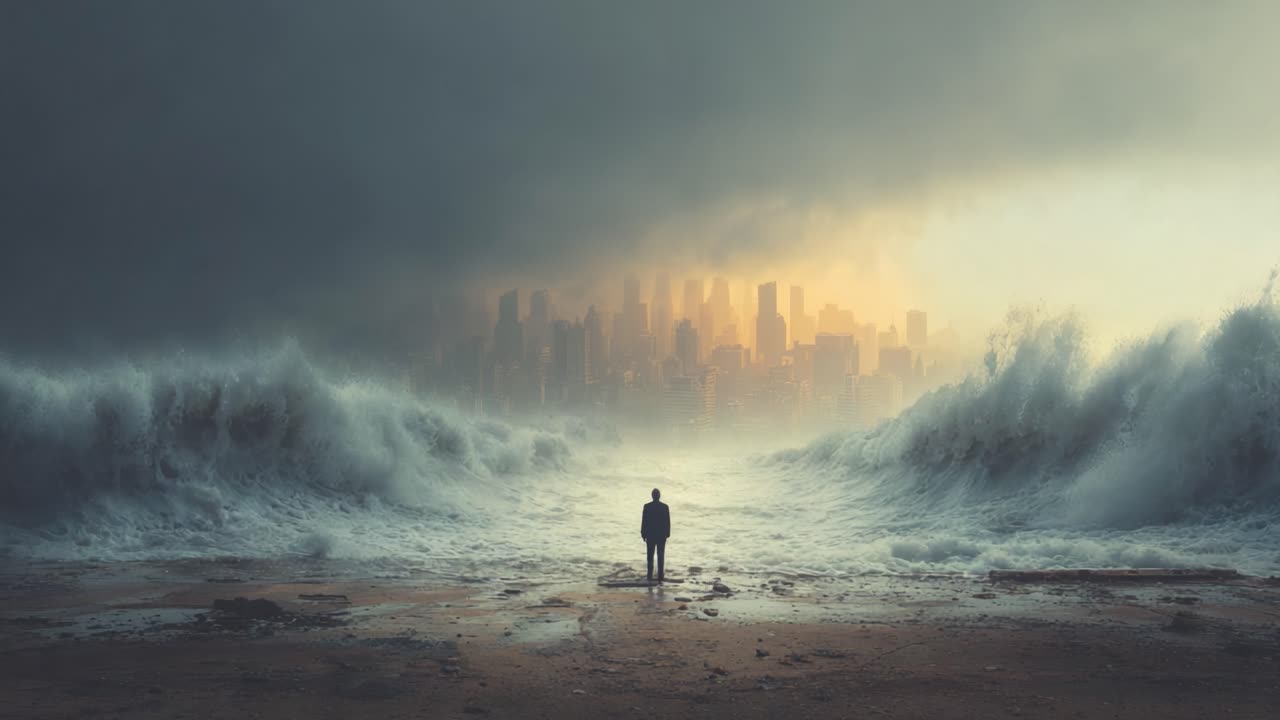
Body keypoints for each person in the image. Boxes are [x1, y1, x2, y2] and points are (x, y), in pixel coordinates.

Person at [640, 488, 671, 582]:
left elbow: (644, 521)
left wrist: (643, 533)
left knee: (650, 556)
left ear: (652, 496)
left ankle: (649, 576)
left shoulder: (647, 506)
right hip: (661, 535)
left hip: (650, 535)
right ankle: (660, 577)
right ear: (659, 496)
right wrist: (667, 534)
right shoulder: (665, 507)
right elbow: (667, 522)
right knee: (660, 556)